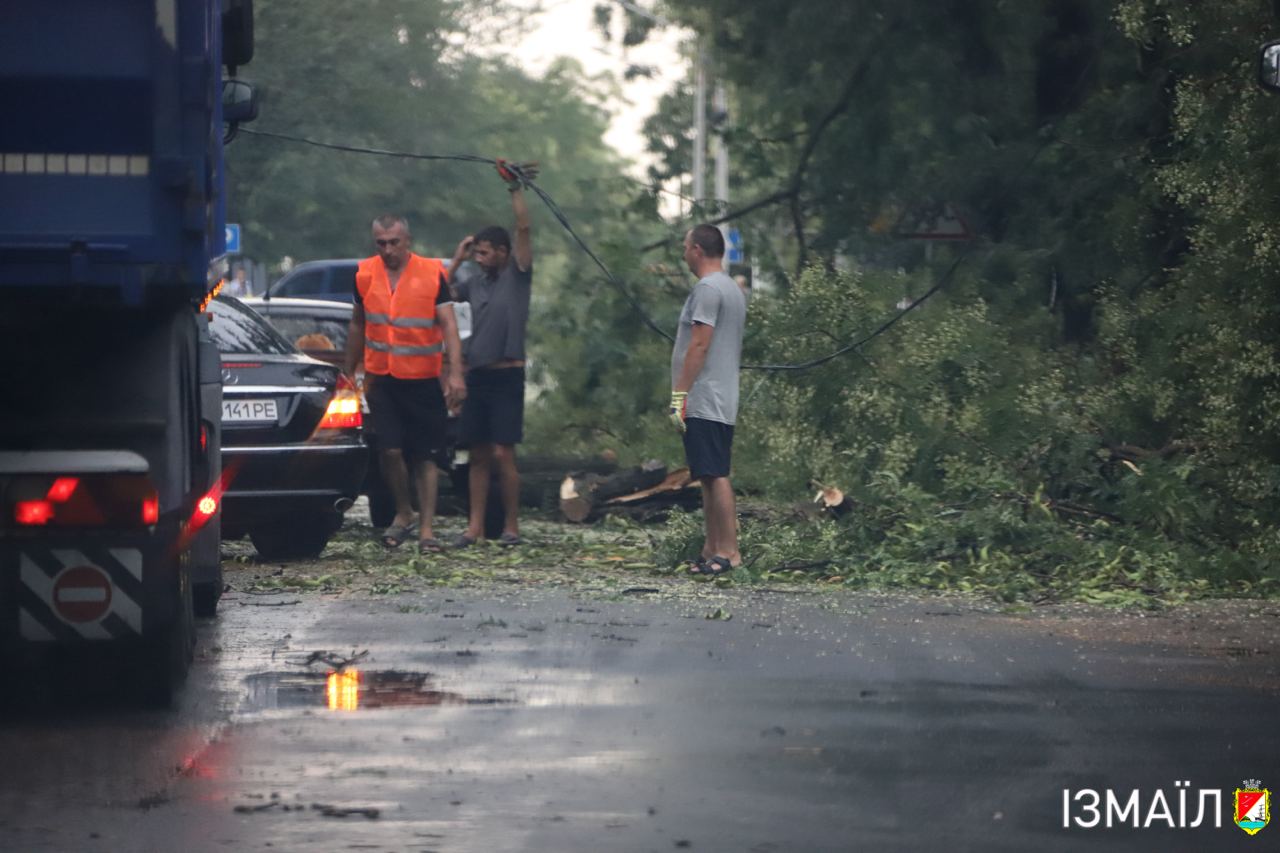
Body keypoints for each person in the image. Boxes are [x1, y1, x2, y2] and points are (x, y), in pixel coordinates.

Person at [343, 215, 467, 554]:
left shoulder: (432, 273)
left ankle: (427, 529)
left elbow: (449, 327)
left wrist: (455, 373)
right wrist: (347, 371)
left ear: (407, 240)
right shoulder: (364, 273)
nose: (387, 250)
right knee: (390, 450)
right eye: (380, 243)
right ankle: (404, 511)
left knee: (426, 456)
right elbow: (357, 325)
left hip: (423, 379)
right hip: (381, 378)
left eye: (393, 242)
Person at [446, 160, 539, 547]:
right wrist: (458, 258)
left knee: (504, 452)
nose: (481, 258)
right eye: (478, 253)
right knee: (478, 454)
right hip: (478, 375)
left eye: (486, 253)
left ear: (502, 252)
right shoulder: (474, 281)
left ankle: (512, 527)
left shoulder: (517, 275)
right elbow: (442, 295)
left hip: (507, 375)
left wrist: (514, 190)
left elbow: (523, 228)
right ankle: (474, 527)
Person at [669, 224, 749, 576]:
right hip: (720, 394)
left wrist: (679, 395)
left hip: (705, 395)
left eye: (685, 248)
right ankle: (710, 549)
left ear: (698, 250)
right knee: (706, 472)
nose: (683, 254)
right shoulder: (730, 288)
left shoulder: (707, 289)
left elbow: (699, 344)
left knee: (715, 473)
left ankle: (729, 551)